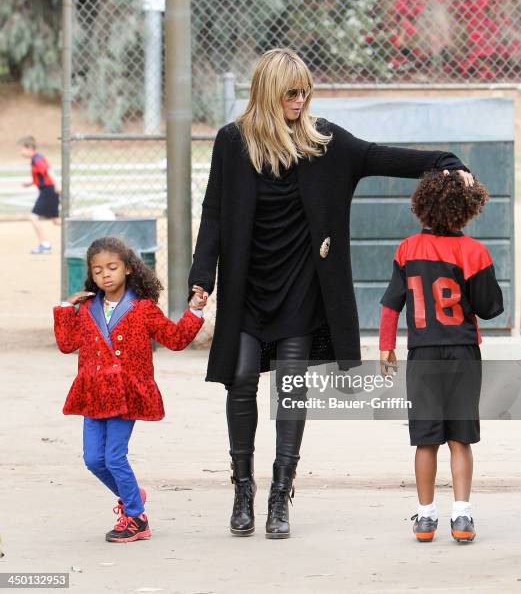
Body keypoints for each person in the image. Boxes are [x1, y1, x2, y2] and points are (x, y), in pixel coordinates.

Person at [188, 47, 475, 539]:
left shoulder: (324, 142)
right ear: (266, 95)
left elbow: (380, 157)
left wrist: (446, 161)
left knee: (291, 387)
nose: (299, 100)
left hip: (302, 288)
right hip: (247, 288)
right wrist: (202, 276)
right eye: (290, 93)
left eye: (304, 91)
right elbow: (214, 211)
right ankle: (242, 489)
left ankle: (281, 493)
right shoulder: (232, 142)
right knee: (240, 382)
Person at [54, 237, 206, 543]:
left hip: (126, 395)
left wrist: (194, 311)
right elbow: (66, 344)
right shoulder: (84, 308)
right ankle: (132, 493)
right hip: (93, 394)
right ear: (91, 274)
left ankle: (136, 517)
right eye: (97, 271)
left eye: (112, 267)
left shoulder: (143, 308)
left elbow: (175, 340)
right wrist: (65, 307)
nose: (105, 275)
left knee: (114, 457)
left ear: (128, 269)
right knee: (93, 460)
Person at [379, 171, 503, 543]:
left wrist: (387, 346)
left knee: (426, 439)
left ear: (423, 206)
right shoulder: (475, 252)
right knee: (460, 438)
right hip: (463, 352)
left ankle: (426, 519)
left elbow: (390, 304)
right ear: (467, 209)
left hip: (423, 355)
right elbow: (490, 308)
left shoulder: (406, 249)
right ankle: (462, 518)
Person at [18, 136, 61, 254]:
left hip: (48, 191)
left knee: (33, 217)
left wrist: (57, 184)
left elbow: (48, 171)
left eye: (23, 149)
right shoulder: (34, 160)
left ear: (30, 148)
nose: (21, 152)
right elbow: (41, 176)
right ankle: (78, 230)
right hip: (47, 190)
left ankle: (45, 245)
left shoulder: (37, 159)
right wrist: (30, 183)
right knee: (56, 220)